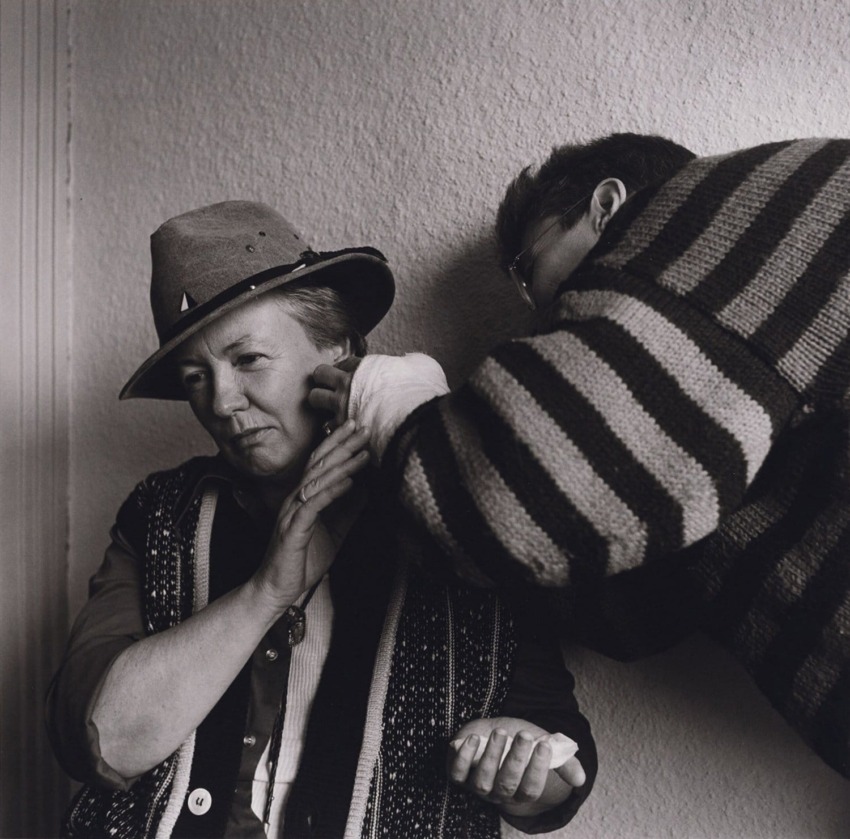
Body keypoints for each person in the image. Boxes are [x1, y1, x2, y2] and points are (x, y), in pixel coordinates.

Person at [46, 200, 597, 838]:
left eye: (248, 360)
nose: (221, 402)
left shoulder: (462, 499)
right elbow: (95, 739)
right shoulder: (161, 514)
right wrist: (266, 592)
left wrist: (521, 762)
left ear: (338, 351)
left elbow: (561, 768)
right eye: (196, 376)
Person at [309, 134, 850, 780]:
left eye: (531, 270)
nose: (541, 320)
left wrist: (395, 404)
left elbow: (516, 504)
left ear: (606, 204)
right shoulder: (711, 413)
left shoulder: (764, 209)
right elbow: (640, 616)